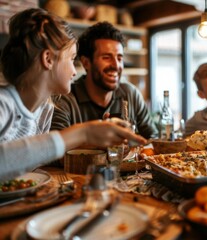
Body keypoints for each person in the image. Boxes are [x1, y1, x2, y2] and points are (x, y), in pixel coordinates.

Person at [0, 8, 146, 181]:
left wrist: (98, 139)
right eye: (71, 58)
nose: (74, 71)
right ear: (48, 59)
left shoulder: (44, 109)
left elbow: (29, 161)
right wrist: (83, 133)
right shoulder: (3, 104)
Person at [50, 21, 157, 139]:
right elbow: (58, 151)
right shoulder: (64, 100)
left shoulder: (131, 94)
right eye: (106, 57)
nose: (116, 65)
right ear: (86, 62)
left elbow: (152, 137)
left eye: (119, 58)